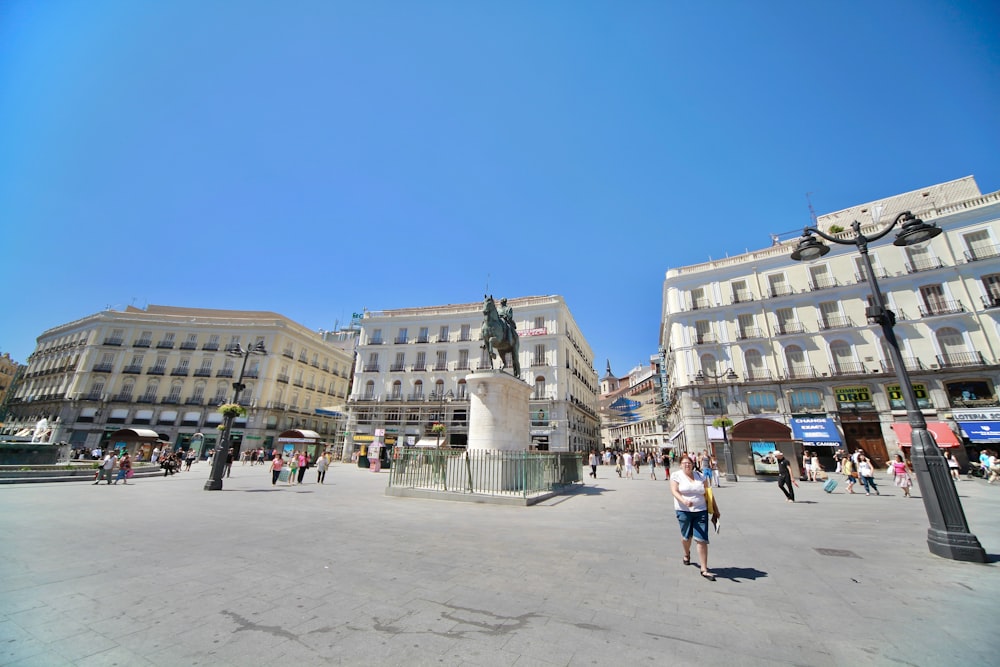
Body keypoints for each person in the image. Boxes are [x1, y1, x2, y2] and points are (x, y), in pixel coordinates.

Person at [670, 457, 719, 581]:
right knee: (686, 537)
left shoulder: (700, 476)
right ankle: (686, 554)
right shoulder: (676, 476)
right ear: (680, 465)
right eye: (684, 463)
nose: (687, 465)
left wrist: (715, 509)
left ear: (693, 464)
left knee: (701, 539)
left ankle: (704, 569)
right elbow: (674, 491)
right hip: (683, 510)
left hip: (701, 510)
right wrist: (684, 501)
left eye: (689, 463)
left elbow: (708, 493)